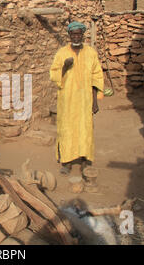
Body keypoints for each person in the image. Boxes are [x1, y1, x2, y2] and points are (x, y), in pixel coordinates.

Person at [50, 21, 104, 176]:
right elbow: (53, 75)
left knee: (85, 129)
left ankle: (86, 161)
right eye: (73, 34)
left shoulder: (91, 53)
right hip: (67, 100)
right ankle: (66, 162)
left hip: (85, 100)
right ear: (69, 35)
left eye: (79, 34)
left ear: (83, 35)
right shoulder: (61, 53)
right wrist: (65, 66)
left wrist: (95, 101)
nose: (76, 36)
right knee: (66, 129)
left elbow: (96, 77)